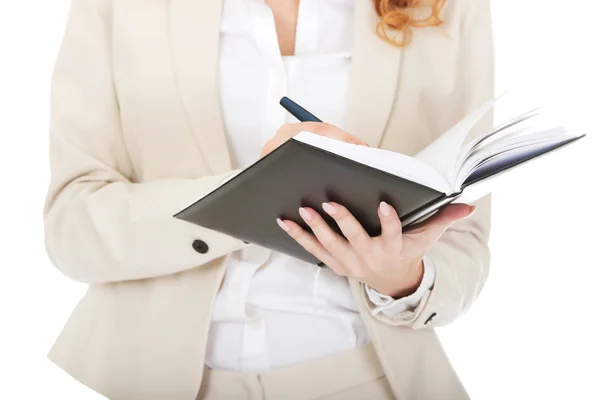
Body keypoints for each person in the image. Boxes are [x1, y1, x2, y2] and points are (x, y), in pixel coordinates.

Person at [43, 0, 494, 399]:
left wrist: (400, 277)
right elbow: (72, 226)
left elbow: (465, 240)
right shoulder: (115, 6)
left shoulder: (450, 6)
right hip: (153, 380)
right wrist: (248, 193)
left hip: (366, 378)